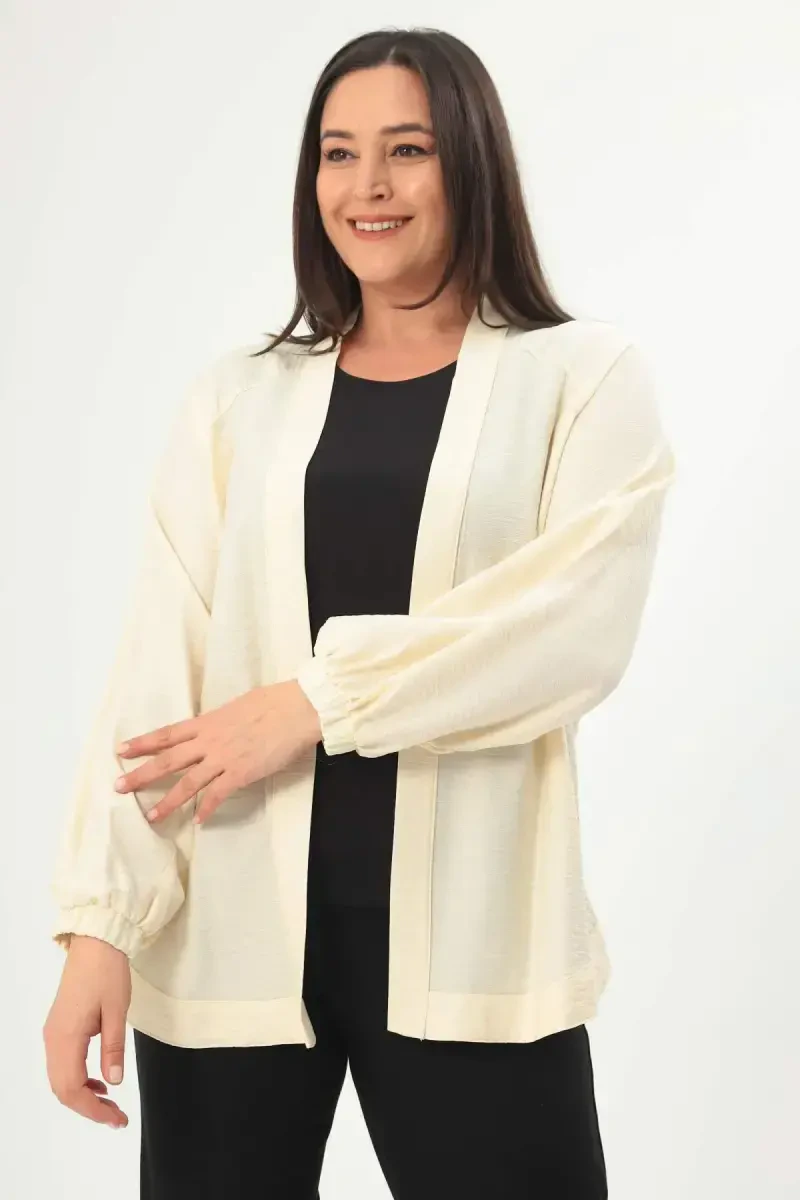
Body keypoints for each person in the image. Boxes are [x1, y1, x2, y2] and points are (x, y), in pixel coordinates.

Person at [43, 26, 677, 1200]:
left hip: (474, 951)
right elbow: (160, 669)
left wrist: (313, 703)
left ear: (469, 160)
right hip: (229, 936)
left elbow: (566, 631)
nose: (366, 186)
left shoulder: (578, 379)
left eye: (406, 149)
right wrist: (102, 923)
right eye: (337, 153)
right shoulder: (235, 401)